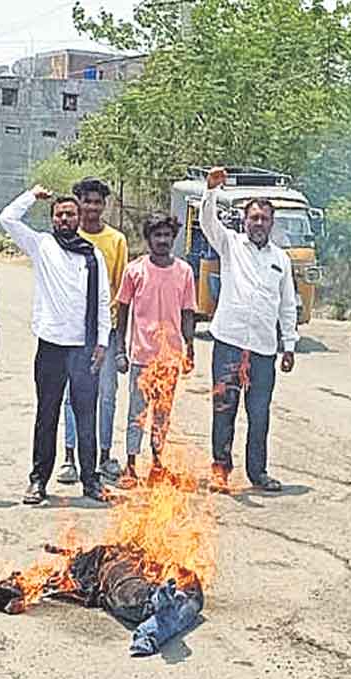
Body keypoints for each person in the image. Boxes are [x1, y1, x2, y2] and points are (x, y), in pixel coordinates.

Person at [0, 185, 112, 505]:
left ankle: (91, 481)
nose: (65, 218)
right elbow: (7, 218)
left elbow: (103, 301)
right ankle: (38, 481)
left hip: (85, 348)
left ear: (79, 218)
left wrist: (102, 343)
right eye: (59, 214)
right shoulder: (41, 245)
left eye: (70, 213)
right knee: (46, 415)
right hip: (51, 346)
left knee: (85, 415)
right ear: (52, 218)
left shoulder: (93, 255)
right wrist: (32, 196)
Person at [199, 167, 298, 494]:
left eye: (264, 219)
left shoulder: (281, 260)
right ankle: (220, 470)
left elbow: (286, 305)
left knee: (259, 414)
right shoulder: (230, 244)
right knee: (223, 409)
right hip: (229, 342)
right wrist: (211, 191)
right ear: (244, 220)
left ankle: (258, 473)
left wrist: (290, 345)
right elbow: (207, 223)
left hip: (263, 350)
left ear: (272, 223)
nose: (258, 224)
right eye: (253, 218)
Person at [112, 212, 196, 485]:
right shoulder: (135, 270)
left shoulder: (184, 272)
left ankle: (158, 464)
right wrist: (120, 350)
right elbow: (123, 310)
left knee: (162, 413)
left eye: (167, 235)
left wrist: (190, 347)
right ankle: (131, 465)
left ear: (173, 238)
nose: (162, 240)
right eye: (156, 235)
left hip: (169, 358)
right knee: (137, 413)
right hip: (141, 356)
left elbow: (187, 313)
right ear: (148, 239)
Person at [59, 177, 129, 484]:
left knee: (107, 394)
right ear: (77, 204)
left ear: (104, 206)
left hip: (105, 332)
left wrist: (114, 337)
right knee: (70, 396)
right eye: (86, 201)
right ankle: (69, 457)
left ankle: (104, 455)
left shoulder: (116, 241)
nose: (92, 208)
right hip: (72, 334)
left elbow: (120, 292)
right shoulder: (66, 238)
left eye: (97, 202)